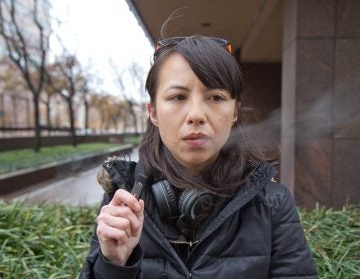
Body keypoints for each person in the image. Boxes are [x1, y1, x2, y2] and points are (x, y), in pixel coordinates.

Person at [80, 35, 318, 279]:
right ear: (153, 112)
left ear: (235, 110)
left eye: (215, 97)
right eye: (178, 97)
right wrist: (113, 264)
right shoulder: (124, 199)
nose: (196, 115)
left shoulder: (273, 204)